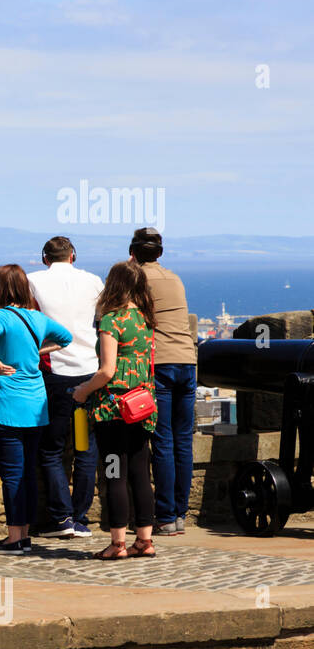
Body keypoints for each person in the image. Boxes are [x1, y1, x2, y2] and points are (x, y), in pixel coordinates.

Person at [0, 265, 72, 555]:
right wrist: (35, 353)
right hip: (35, 406)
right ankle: (24, 534)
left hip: (6, 404)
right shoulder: (37, 318)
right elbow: (65, 338)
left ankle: (14, 537)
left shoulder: (1, 317)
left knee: (12, 475)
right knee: (28, 471)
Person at [71, 261, 159, 559]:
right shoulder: (146, 319)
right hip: (142, 407)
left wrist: (82, 391)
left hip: (113, 411)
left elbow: (107, 371)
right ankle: (145, 541)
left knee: (114, 474)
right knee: (140, 473)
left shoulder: (112, 320)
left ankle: (118, 543)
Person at [27, 236, 105, 540]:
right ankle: (81, 516)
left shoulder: (34, 281)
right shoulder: (93, 281)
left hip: (55, 374)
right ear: (72, 256)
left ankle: (62, 518)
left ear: (45, 258)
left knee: (52, 449)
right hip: (88, 373)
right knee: (84, 446)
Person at [131, 227, 196, 536]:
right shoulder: (175, 279)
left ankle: (166, 515)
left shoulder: (135, 279)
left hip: (158, 364)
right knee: (183, 439)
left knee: (162, 440)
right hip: (187, 361)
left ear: (133, 253)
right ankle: (181, 513)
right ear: (160, 252)